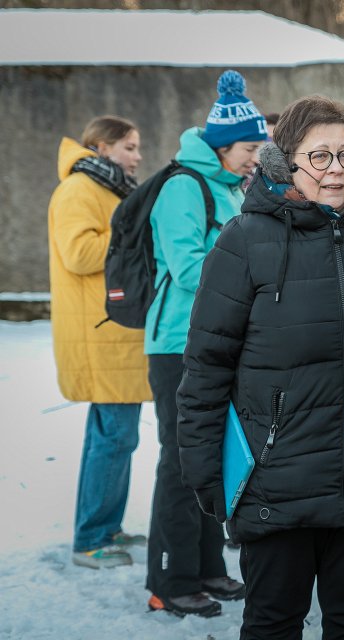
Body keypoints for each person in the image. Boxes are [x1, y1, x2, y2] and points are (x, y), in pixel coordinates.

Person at [177, 94, 344, 639]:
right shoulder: (245, 242)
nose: (336, 169)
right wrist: (205, 472)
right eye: (320, 156)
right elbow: (207, 368)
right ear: (287, 163)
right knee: (273, 624)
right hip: (274, 488)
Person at [144, 69, 267, 618]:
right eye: (248, 147)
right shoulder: (182, 187)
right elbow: (189, 267)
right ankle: (171, 577)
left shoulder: (232, 189)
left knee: (214, 456)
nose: (255, 157)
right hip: (175, 344)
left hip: (219, 342)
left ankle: (210, 566)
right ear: (221, 146)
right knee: (178, 458)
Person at [48, 115, 151, 570]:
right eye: (129, 146)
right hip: (99, 334)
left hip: (109, 332)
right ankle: (91, 539)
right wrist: (129, 233)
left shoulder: (106, 188)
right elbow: (79, 252)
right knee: (115, 438)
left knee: (111, 437)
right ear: (103, 147)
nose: (137, 155)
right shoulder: (78, 189)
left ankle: (105, 527)